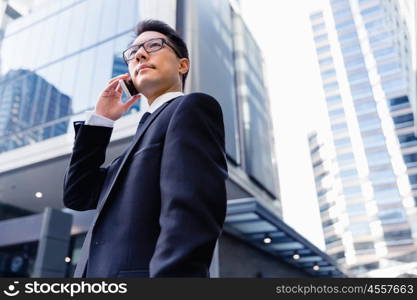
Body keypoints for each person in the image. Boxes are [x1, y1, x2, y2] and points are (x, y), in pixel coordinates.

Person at [62, 19, 228, 278]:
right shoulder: (129, 152)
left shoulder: (191, 108)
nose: (139, 54)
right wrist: (101, 121)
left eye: (154, 45)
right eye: (133, 52)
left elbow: (190, 217)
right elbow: (77, 195)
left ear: (182, 65)